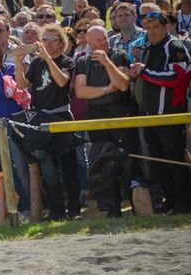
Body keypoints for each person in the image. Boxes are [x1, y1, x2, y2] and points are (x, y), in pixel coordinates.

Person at [15, 24, 81, 220]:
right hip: (41, 119)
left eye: (52, 40)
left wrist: (48, 59)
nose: (48, 44)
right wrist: (19, 62)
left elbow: (62, 82)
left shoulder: (67, 61)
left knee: (69, 167)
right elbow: (21, 85)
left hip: (61, 117)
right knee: (49, 169)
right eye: (45, 39)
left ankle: (75, 209)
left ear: (61, 43)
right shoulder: (36, 62)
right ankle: (57, 211)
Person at [130, 12, 190, 214]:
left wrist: (145, 71)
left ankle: (183, 204)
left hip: (169, 115)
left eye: (155, 27)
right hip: (149, 115)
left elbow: (177, 76)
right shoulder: (149, 47)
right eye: (148, 28)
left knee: (174, 161)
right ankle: (171, 202)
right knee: (157, 162)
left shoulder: (174, 46)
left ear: (166, 27)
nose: (151, 32)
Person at [73, 25, 136, 217]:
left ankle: (134, 203)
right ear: (90, 43)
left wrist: (108, 63)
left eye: (105, 39)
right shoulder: (83, 62)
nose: (104, 43)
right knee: (103, 162)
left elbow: (123, 84)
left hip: (120, 114)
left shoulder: (119, 56)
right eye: (99, 40)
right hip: (97, 117)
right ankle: (110, 207)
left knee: (127, 161)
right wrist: (106, 90)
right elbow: (81, 91)